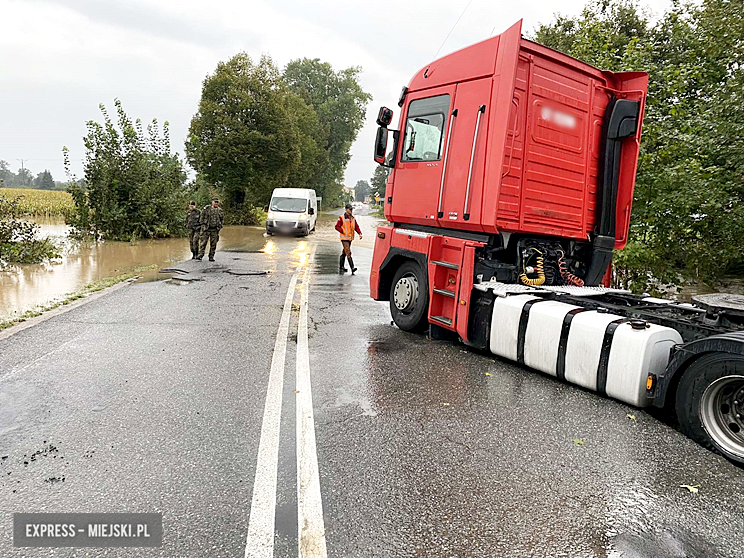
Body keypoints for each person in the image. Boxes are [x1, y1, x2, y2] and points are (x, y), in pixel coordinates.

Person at [335, 203, 362, 274]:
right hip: (344, 238)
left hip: (350, 238)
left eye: (352, 209)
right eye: (350, 209)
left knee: (344, 252)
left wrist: (360, 233)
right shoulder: (341, 218)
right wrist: (343, 231)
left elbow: (356, 226)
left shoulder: (353, 218)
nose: (351, 210)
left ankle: (341, 267)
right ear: (346, 210)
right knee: (348, 252)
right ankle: (352, 267)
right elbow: (337, 227)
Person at [197, 197, 224, 262]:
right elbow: (202, 217)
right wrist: (202, 225)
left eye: (217, 202)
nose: (216, 203)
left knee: (213, 244)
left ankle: (211, 256)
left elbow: (222, 219)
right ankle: (200, 255)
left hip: (215, 230)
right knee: (203, 243)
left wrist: (220, 226)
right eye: (215, 202)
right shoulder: (207, 209)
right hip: (206, 229)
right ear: (212, 202)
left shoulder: (220, 211)